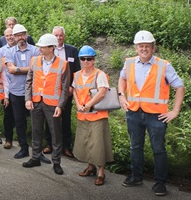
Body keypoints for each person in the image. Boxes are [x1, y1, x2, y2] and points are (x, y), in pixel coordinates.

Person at [118, 30, 186, 196]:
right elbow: (122, 79)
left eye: (147, 46)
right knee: (135, 147)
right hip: (134, 112)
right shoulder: (129, 63)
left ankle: (160, 183)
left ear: (153, 48)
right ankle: (136, 176)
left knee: (158, 149)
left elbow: (180, 87)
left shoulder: (164, 65)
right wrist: (121, 96)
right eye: (141, 46)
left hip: (156, 115)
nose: (144, 49)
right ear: (136, 48)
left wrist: (175, 110)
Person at [22, 34, 70, 175]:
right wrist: (28, 99)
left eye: (43, 47)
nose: (40, 49)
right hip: (36, 102)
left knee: (56, 134)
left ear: (52, 48)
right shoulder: (34, 61)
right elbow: (28, 81)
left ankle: (56, 162)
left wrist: (60, 106)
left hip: (53, 104)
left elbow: (65, 88)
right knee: (36, 131)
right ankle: (35, 157)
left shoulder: (63, 64)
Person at [72, 46, 113, 186]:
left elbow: (102, 92)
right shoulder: (77, 75)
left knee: (98, 144)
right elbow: (75, 92)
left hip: (97, 115)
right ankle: (90, 167)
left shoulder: (99, 74)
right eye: (83, 59)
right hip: (83, 114)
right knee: (86, 142)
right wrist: (78, 105)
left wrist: (89, 104)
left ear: (94, 60)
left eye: (89, 58)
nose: (86, 61)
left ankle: (101, 172)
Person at [4, 24, 41, 159]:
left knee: (36, 123)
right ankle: (23, 148)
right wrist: (28, 69)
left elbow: (37, 69)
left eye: (23, 34)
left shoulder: (35, 51)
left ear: (26, 35)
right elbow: (10, 69)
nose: (21, 37)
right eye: (18, 35)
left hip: (33, 92)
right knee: (19, 122)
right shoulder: (10, 52)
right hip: (16, 92)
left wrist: (18, 69)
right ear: (13, 37)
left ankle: (38, 152)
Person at [45, 26, 80, 158]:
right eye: (56, 35)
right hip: (51, 91)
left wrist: (72, 86)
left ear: (64, 36)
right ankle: (49, 144)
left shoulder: (72, 50)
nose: (58, 37)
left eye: (60, 35)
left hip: (66, 91)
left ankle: (65, 146)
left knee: (65, 119)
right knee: (49, 117)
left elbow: (76, 70)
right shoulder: (48, 50)